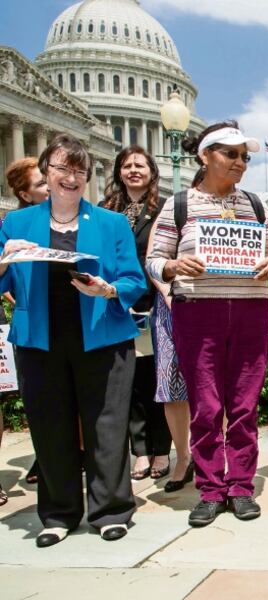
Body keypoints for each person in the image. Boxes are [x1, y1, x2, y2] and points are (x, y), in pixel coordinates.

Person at [0, 133, 146, 546]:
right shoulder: (16, 224)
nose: (71, 177)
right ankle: (58, 514)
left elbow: (133, 280)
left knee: (107, 425)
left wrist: (108, 289)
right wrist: (5, 260)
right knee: (50, 426)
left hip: (103, 337)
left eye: (79, 170)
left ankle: (111, 510)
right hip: (39, 341)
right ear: (46, 171)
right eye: (62, 168)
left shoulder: (111, 223)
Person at [147, 121, 268, 527]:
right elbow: (153, 259)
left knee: (244, 404)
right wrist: (173, 266)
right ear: (205, 156)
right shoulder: (179, 205)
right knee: (206, 406)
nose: (240, 162)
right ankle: (210, 489)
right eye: (231, 153)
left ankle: (240, 486)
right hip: (197, 312)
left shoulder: (256, 205)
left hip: (250, 310)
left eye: (245, 156)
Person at [99, 146, 184, 485]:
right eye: (127, 165)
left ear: (152, 172)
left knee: (154, 379)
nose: (133, 170)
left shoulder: (165, 208)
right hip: (115, 303)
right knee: (127, 381)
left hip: (153, 302)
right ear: (119, 172)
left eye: (140, 165)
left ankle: (161, 449)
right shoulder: (105, 210)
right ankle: (140, 450)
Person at [2, 157, 50, 499]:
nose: (51, 186)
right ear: (24, 194)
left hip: (69, 323)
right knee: (40, 401)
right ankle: (46, 460)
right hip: (32, 327)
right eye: (41, 183)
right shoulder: (13, 226)